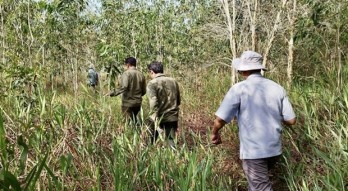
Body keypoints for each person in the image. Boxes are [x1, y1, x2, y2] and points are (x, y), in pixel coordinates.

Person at [210, 50, 296, 191]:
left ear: (243, 71)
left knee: (260, 187)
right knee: (258, 184)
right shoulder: (278, 88)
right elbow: (291, 120)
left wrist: (215, 133)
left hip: (254, 151)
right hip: (274, 150)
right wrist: (272, 114)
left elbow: (220, 119)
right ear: (259, 68)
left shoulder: (239, 89)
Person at [146, 61, 181, 148]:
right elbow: (178, 100)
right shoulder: (173, 81)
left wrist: (154, 118)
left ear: (151, 71)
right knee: (171, 141)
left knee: (151, 141)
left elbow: (153, 102)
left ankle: (151, 156)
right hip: (172, 116)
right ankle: (174, 159)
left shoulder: (152, 83)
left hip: (158, 117)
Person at [107, 57, 146, 123]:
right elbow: (144, 91)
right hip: (137, 103)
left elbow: (123, 87)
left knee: (127, 123)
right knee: (134, 121)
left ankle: (132, 132)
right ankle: (137, 132)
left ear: (128, 65)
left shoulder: (126, 73)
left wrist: (112, 93)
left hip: (128, 103)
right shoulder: (141, 74)